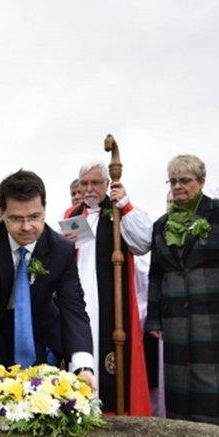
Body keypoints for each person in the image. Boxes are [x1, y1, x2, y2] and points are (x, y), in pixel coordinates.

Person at [146, 154, 219, 424]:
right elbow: (156, 276)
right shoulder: (160, 225)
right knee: (179, 389)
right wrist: (154, 318)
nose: (178, 186)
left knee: (217, 388)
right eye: (173, 180)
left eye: (185, 180)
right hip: (175, 319)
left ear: (201, 181)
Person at [0, 169, 95, 390]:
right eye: (17, 219)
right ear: (2, 214)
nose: (27, 227)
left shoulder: (61, 249)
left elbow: (74, 308)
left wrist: (83, 367)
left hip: (38, 329)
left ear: (44, 210)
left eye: (34, 217)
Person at [63, 161, 153, 415]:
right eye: (84, 183)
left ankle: (115, 411)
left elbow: (144, 242)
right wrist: (63, 245)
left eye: (95, 183)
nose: (89, 189)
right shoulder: (72, 215)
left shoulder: (118, 211)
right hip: (77, 296)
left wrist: (125, 205)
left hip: (111, 300)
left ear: (106, 184)